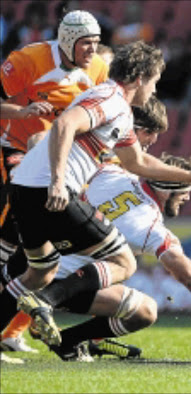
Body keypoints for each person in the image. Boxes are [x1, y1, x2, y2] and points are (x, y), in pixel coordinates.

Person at [0, 40, 191, 348]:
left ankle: (38, 302)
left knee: (41, 271)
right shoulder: (111, 99)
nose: (154, 91)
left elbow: (137, 162)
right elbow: (65, 123)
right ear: (140, 78)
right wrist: (59, 180)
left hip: (24, 189)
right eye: (155, 82)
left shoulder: (117, 109)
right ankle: (45, 303)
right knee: (123, 261)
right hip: (48, 190)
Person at [34, 152, 191, 361]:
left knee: (113, 267)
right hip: (64, 284)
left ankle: (86, 341)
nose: (188, 198)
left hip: (36, 263)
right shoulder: (149, 226)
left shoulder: (113, 174)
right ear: (169, 185)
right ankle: (68, 341)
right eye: (186, 189)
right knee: (145, 310)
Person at [0, 95, 168, 357]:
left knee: (145, 309)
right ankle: (40, 304)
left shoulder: (121, 168)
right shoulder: (90, 140)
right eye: (149, 132)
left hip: (76, 273)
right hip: (50, 250)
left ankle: (67, 340)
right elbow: (38, 140)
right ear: (129, 128)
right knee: (121, 262)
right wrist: (48, 176)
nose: (152, 141)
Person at [0, 9, 109, 353]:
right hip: (17, 148)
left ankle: (12, 331)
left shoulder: (98, 69)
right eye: (85, 43)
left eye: (96, 42)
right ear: (66, 40)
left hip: (59, 164)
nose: (92, 50)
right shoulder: (28, 60)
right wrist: (21, 113)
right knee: (16, 239)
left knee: (47, 252)